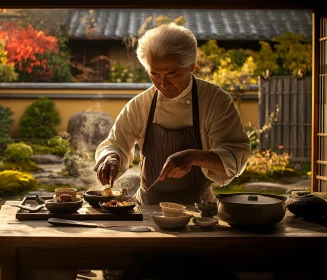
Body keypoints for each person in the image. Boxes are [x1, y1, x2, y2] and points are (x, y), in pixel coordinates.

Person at [95, 22, 251, 206]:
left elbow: (236, 154)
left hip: (199, 209)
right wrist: (111, 158)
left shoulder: (215, 101)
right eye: (155, 75)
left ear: (191, 67)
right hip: (147, 207)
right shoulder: (140, 105)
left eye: (172, 74)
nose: (163, 84)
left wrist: (192, 157)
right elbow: (114, 143)